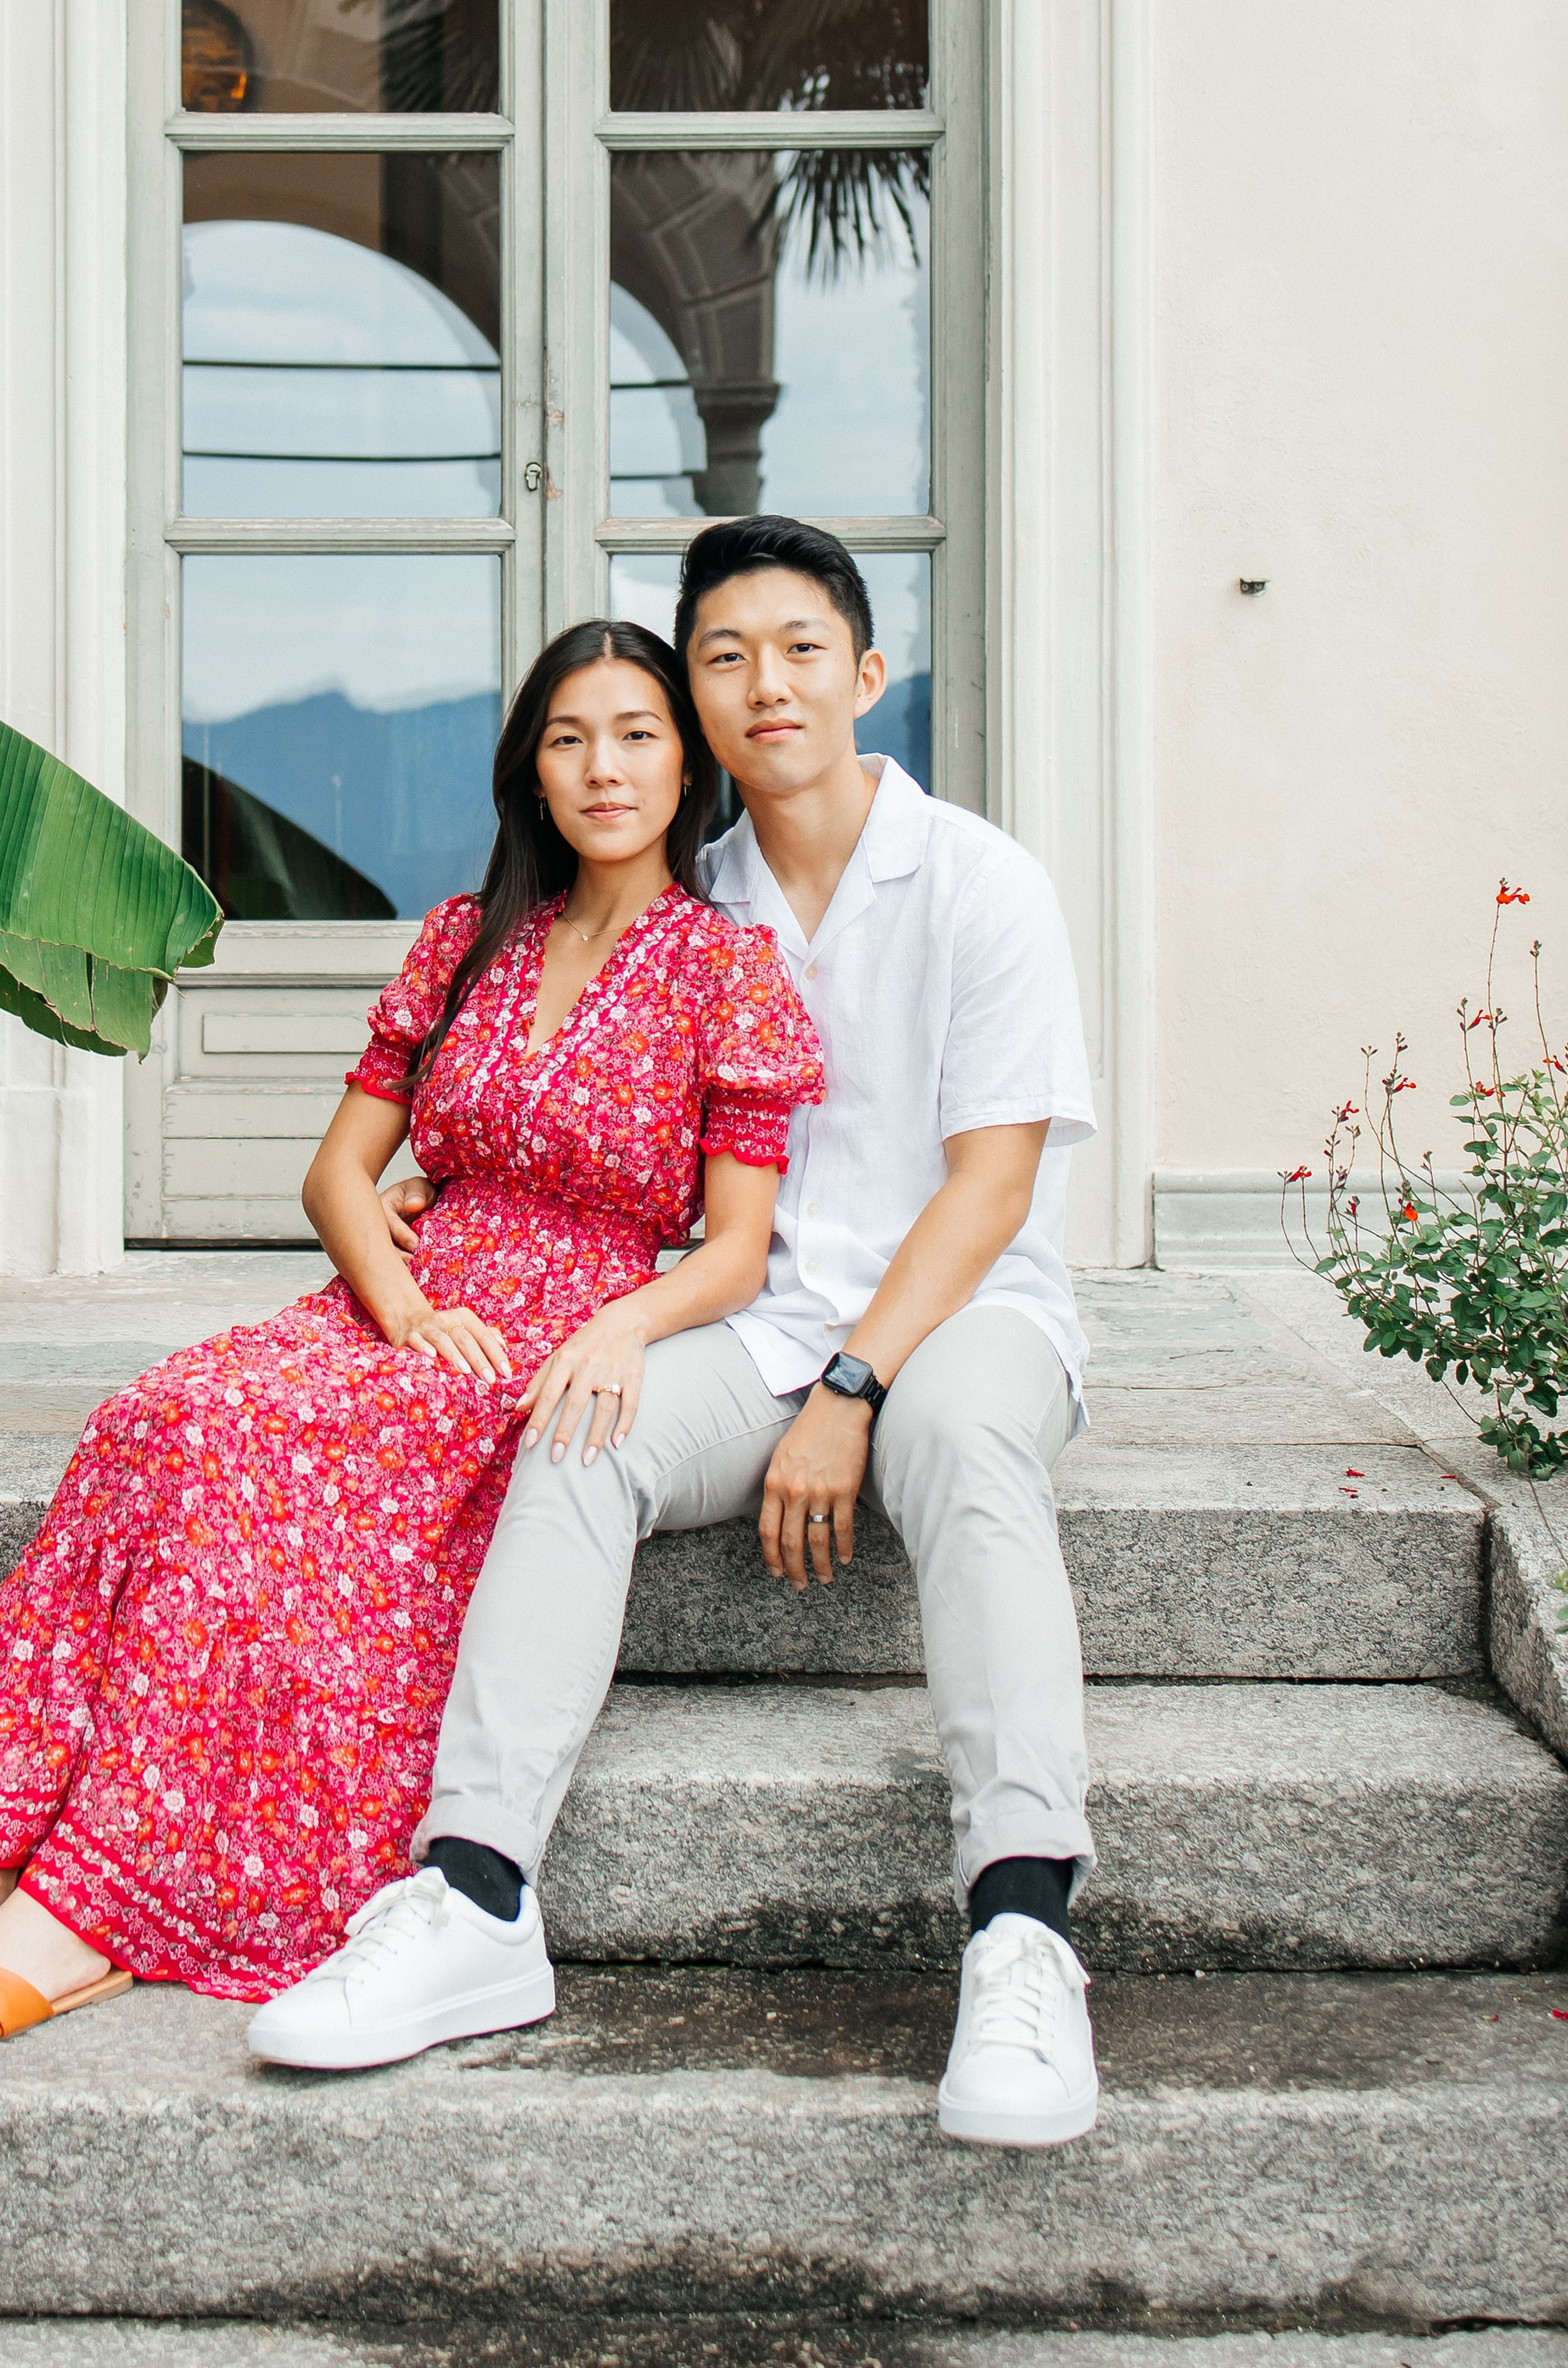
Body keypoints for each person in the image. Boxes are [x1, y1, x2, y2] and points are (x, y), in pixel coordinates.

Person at [0, 616, 820, 2051]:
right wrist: (405, 1303)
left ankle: (79, 1913)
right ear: (532, 771)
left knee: (261, 1461)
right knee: (168, 1410)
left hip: (548, 1337)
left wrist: (624, 1327)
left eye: (637, 736)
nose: (604, 769)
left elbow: (737, 1248)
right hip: (405, 1303)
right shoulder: (468, 936)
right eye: (570, 739)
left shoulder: (726, 970)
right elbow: (338, 1176)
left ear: (688, 767)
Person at [253, 516, 1101, 2152]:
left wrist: (855, 1385)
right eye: (725, 655)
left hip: (962, 1312)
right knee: (582, 1425)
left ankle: (1023, 1928)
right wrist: (447, 1196)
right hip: (757, 1320)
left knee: (963, 1441)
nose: (764, 682)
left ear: (866, 672)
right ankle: (477, 1896)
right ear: (697, 701)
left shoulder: (980, 880)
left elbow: (993, 1184)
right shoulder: (688, 897)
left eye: (799, 648)